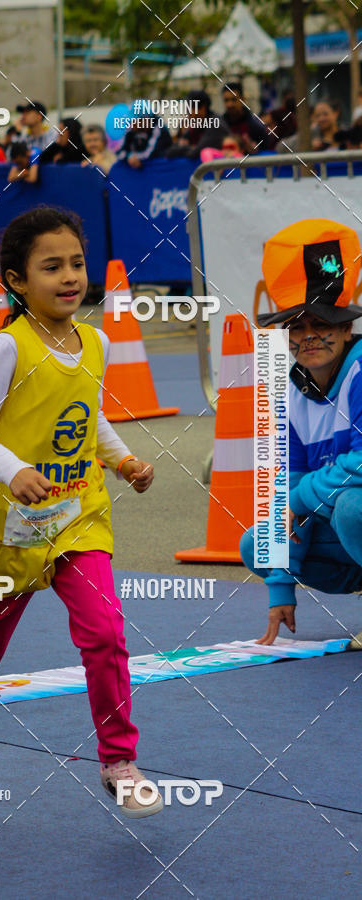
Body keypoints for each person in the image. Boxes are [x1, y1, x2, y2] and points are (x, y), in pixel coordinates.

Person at [0, 207, 163, 818]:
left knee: (105, 632)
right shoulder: (8, 347)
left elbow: (85, 414)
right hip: (15, 528)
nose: (69, 276)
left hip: (80, 518)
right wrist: (14, 471)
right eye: (50, 267)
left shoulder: (97, 341)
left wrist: (124, 460)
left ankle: (119, 761)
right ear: (18, 281)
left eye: (76, 263)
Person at [240, 218, 362, 648]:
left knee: (352, 508)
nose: (308, 336)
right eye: (296, 327)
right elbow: (287, 485)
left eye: (322, 324)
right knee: (258, 543)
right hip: (342, 520)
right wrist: (280, 586)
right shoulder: (290, 391)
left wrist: (297, 497)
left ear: (347, 329)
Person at [166, 90, 228, 160]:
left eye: (191, 108)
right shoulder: (196, 125)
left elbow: (194, 153)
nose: (189, 114)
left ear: (203, 108)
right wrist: (190, 147)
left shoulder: (216, 124)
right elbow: (169, 152)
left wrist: (188, 147)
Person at [221, 81, 270, 153]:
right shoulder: (220, 125)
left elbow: (265, 153)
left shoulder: (257, 126)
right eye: (226, 100)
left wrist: (254, 150)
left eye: (234, 100)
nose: (229, 104)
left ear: (243, 100)